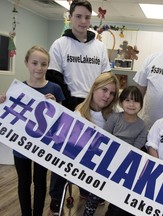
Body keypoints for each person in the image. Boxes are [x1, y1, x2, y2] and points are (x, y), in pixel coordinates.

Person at [46, 0, 111, 212]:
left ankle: (87, 190)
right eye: (78, 16)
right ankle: (57, 197)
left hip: (94, 108)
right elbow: (54, 77)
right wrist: (70, 104)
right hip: (68, 104)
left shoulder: (99, 46)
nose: (83, 21)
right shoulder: (59, 44)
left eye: (86, 17)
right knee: (62, 154)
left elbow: (105, 77)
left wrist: (96, 102)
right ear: (70, 17)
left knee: (90, 153)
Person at [0, 45, 65, 216]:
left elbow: (63, 120)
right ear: (26, 63)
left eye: (43, 64)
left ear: (48, 66)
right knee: (24, 182)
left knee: (40, 181)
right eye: (34, 63)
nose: (39, 67)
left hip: (43, 146)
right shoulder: (17, 88)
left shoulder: (55, 89)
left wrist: (56, 105)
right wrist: (2, 102)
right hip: (21, 146)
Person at [103, 86, 148, 216]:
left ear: (141, 104)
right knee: (95, 195)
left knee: (120, 195)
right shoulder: (114, 118)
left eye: (135, 101)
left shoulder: (142, 126)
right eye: (127, 100)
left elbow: (137, 147)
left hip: (127, 163)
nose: (131, 104)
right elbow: (105, 137)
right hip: (109, 158)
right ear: (121, 102)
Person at [80, 72, 119, 216]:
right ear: (94, 88)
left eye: (112, 93)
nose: (108, 96)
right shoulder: (79, 114)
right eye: (104, 90)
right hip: (83, 166)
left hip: (104, 169)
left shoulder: (115, 116)